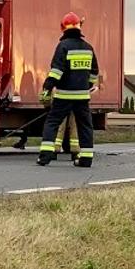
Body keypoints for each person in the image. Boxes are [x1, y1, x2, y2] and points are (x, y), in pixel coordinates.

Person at [37, 12, 99, 167]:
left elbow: (56, 71)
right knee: (85, 126)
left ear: (62, 28)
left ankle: (45, 156)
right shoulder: (88, 48)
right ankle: (86, 159)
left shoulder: (63, 46)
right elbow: (94, 73)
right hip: (82, 97)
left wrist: (47, 88)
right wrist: (87, 86)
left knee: (52, 122)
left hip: (63, 96)